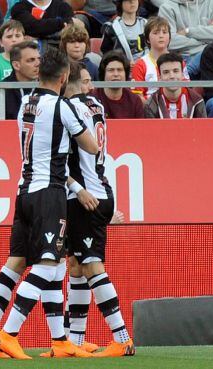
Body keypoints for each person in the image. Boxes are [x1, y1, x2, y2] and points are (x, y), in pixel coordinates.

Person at [0, 48, 99, 360]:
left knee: (19, 262)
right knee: (48, 264)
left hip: (23, 191)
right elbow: (92, 144)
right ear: (63, 78)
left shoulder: (25, 103)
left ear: (39, 74)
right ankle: (9, 334)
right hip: (49, 192)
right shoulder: (61, 106)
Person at [61, 62, 136, 358]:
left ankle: (122, 338)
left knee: (91, 266)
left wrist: (76, 188)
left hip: (86, 196)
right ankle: (75, 343)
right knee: (77, 267)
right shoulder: (95, 105)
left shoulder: (68, 109)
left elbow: (64, 153)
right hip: (101, 189)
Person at [158, 0, 213, 79]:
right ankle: (185, 76)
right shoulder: (167, 7)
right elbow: (170, 41)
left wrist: (188, 31)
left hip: (209, 54)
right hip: (182, 57)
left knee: (209, 53)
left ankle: (185, 76)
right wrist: (206, 38)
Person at [133, 17, 186, 100]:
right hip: (150, 109)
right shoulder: (140, 64)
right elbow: (138, 97)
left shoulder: (179, 61)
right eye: (156, 33)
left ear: (169, 37)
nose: (161, 36)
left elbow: (186, 89)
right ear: (147, 39)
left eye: (164, 32)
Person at [0, 41, 39, 120]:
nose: (38, 63)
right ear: (16, 65)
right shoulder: (1, 91)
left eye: (39, 59)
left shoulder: (47, 86)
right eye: (31, 60)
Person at [144, 52, 205, 118]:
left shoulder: (196, 100)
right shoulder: (151, 103)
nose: (172, 76)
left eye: (175, 71)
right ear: (159, 77)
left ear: (182, 74)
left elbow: (203, 128)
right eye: (166, 72)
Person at [94, 51, 145, 118]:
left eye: (119, 70)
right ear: (104, 74)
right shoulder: (92, 99)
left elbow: (140, 127)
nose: (116, 74)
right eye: (111, 70)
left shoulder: (135, 101)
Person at [10, 0, 77, 50]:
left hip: (60, 52)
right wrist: (62, 23)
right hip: (31, 53)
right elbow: (35, 27)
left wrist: (38, 36)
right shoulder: (19, 8)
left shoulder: (63, 6)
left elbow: (71, 31)